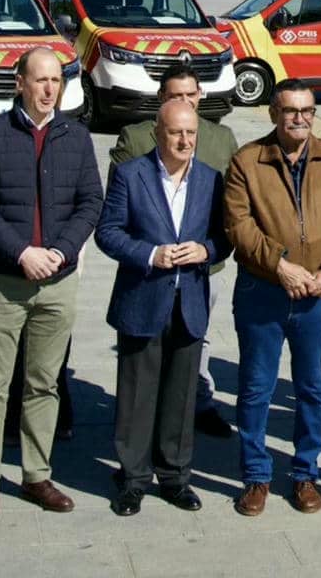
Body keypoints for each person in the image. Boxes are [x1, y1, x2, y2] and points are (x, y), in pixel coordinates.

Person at [0, 46, 105, 521]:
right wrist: (22, 252)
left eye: (56, 82)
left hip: (57, 283)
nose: (49, 90)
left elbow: (90, 202)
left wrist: (60, 252)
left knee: (44, 383)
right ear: (19, 82)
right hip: (2, 280)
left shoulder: (77, 137)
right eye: (40, 80)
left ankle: (36, 475)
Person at [221, 79, 321, 517]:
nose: (300, 118)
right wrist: (280, 265)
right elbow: (238, 227)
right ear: (274, 113)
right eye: (291, 110)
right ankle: (256, 475)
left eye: (308, 110)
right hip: (264, 291)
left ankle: (304, 474)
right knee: (256, 388)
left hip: (317, 295)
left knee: (313, 388)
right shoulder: (247, 161)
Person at [96, 100, 228, 515]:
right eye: (176, 133)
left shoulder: (210, 179)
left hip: (188, 300)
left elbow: (224, 237)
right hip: (143, 296)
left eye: (191, 133)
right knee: (137, 393)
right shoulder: (131, 175)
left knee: (181, 394)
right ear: (158, 133)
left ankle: (175, 477)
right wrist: (150, 254)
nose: (186, 141)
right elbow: (108, 232)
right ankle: (133, 479)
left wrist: (204, 249)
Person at [108, 62, 239, 439]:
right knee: (145, 351)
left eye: (190, 94)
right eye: (175, 95)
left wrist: (210, 249)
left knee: (198, 340)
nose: (185, 101)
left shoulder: (220, 137)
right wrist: (149, 252)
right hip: (149, 272)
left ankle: (197, 405)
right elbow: (117, 212)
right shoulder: (136, 138)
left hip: (201, 270)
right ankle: (141, 432)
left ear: (201, 95)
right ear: (161, 100)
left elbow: (232, 204)